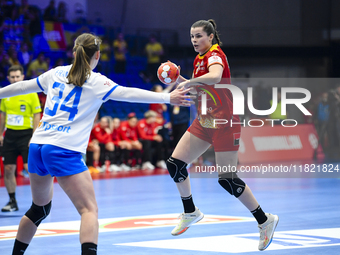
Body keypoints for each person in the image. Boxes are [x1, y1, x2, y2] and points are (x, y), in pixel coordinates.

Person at [0, 33, 192, 255]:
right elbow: (128, 94)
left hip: (38, 147)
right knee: (89, 210)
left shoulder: (55, 73)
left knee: (39, 209)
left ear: (74, 51)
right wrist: (168, 98)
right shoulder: (97, 81)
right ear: (98, 55)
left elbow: (22, 87)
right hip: (63, 149)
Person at [164, 20, 278, 251]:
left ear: (211, 36)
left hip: (225, 123)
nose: (194, 40)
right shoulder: (198, 60)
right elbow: (200, 88)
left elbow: (215, 77)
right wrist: (180, 81)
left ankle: (264, 220)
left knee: (227, 179)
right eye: (191, 37)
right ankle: (190, 212)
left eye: (198, 36)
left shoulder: (215, 55)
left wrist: (192, 81)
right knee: (175, 164)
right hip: (205, 121)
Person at [0, 65, 41, 212]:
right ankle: (12, 201)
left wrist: (34, 135)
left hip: (26, 135)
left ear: (23, 77)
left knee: (28, 168)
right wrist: (0, 134)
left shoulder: (31, 93)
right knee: (9, 168)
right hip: (10, 135)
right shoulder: (5, 94)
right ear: (8, 78)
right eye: (12, 77)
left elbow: (37, 115)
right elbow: (3, 116)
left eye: (18, 76)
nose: (15, 79)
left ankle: (39, 202)